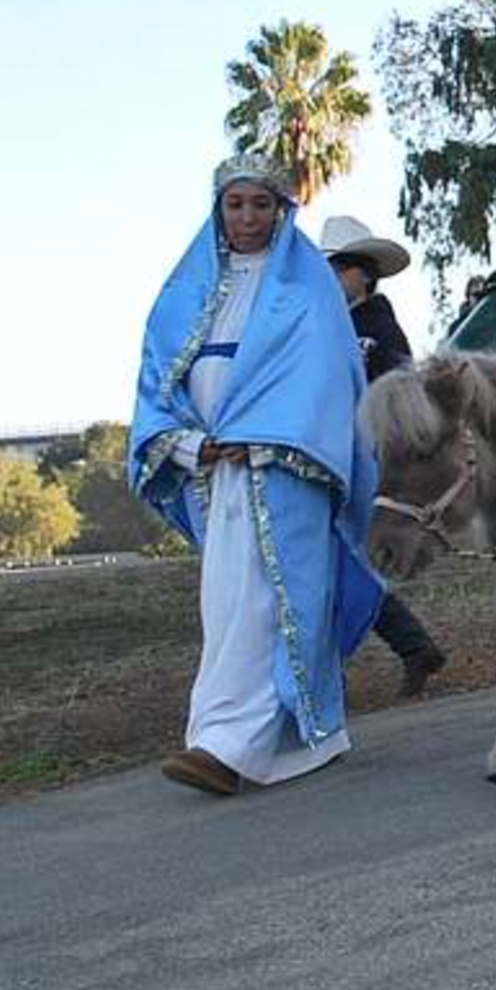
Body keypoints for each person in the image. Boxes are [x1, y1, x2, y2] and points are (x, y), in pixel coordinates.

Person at [129, 155, 383, 796]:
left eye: (260, 205)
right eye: (235, 204)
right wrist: (187, 445)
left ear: (280, 210)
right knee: (227, 606)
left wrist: (267, 438)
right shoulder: (184, 292)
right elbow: (158, 383)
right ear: (220, 209)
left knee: (274, 603)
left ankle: (227, 746)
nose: (247, 217)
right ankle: (224, 734)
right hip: (212, 477)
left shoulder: (308, 290)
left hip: (282, 469)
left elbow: (327, 382)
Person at [319, 215, 447, 699]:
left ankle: (395, 651)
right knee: (338, 558)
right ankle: (413, 647)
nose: (333, 279)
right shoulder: (329, 327)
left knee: (342, 557)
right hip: (333, 452)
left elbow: (401, 392)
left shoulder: (380, 330)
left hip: (365, 456)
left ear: (363, 273)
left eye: (341, 267)